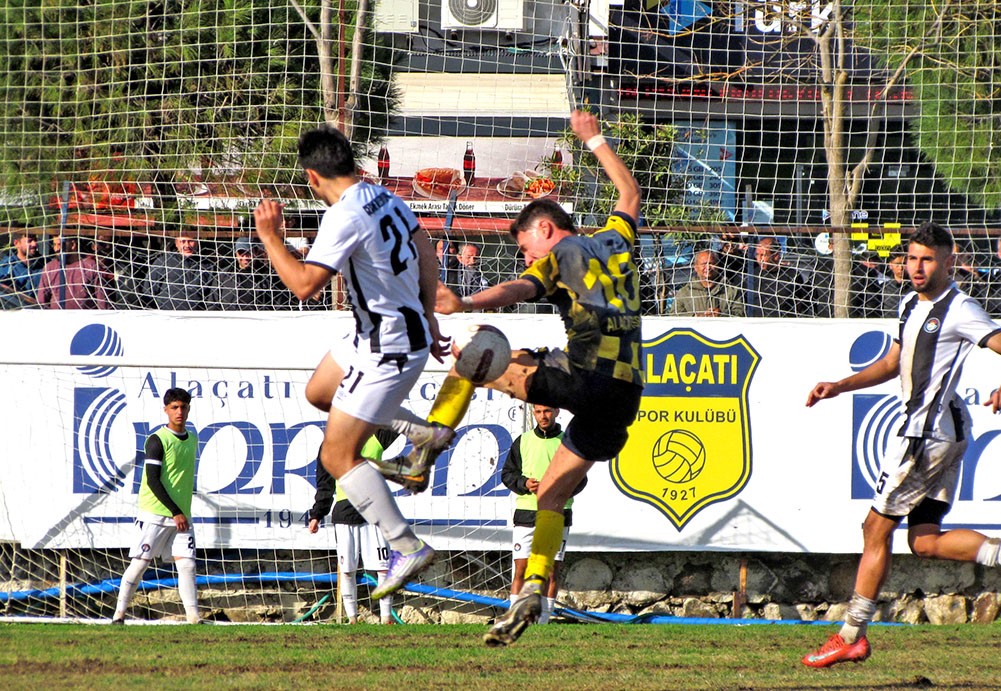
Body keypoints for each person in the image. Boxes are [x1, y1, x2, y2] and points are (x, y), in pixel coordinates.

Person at [392, 110, 641, 646]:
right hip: (624, 397)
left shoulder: (560, 254)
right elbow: (629, 191)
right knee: (550, 497)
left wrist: (465, 302)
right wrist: (593, 137)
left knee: (475, 350)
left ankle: (425, 448)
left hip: (585, 374)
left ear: (545, 228)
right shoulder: (615, 239)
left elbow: (517, 290)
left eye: (525, 246)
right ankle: (532, 588)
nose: (525, 256)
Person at [254, 125, 450, 602]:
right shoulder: (384, 197)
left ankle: (405, 545)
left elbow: (304, 285)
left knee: (336, 456)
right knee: (320, 392)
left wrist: (270, 237)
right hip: (380, 332)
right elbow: (425, 249)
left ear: (311, 176)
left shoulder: (343, 215)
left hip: (387, 346)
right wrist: (427, 311)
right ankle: (422, 434)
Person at [801, 222, 1001, 668]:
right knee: (924, 541)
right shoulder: (910, 303)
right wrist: (840, 385)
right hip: (945, 430)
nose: (916, 267)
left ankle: (851, 635)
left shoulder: (960, 307)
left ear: (949, 262)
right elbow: (893, 362)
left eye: (927, 259)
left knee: (875, 528)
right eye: (911, 258)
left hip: (927, 436)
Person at [112, 388, 200, 624]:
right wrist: (175, 511)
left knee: (187, 564)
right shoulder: (157, 440)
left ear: (189, 409)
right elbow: (152, 479)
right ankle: (119, 614)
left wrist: (181, 511)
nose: (179, 411)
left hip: (182, 515)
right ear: (166, 410)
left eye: (183, 407)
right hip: (155, 514)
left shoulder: (192, 439)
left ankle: (193, 617)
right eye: (174, 407)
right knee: (140, 564)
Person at [501, 404, 586, 625]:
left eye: (547, 411)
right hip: (526, 513)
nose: (543, 416)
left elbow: (581, 478)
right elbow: (507, 474)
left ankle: (543, 622)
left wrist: (559, 489)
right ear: (533, 413)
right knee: (521, 569)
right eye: (538, 412)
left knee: (551, 571)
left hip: (557, 513)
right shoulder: (523, 441)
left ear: (557, 411)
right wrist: (524, 483)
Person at [306, 431, 399, 625]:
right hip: (345, 514)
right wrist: (317, 514)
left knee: (383, 569)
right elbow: (325, 485)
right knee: (347, 570)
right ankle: (352, 620)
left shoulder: (376, 435)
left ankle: (386, 618)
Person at [35, 236, 110, 309]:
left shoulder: (90, 266)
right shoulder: (49, 268)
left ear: (73, 245)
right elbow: (42, 302)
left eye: (60, 244)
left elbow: (102, 301)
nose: (56, 249)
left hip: (85, 316)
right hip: (56, 316)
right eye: (54, 244)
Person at [145, 232, 216, 309]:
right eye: (183, 241)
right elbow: (148, 291)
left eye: (190, 241)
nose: (187, 245)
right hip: (167, 313)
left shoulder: (207, 266)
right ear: (176, 244)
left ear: (197, 243)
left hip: (197, 314)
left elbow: (212, 297)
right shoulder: (163, 262)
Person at [745, 236, 812, 317]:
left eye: (763, 255)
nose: (759, 259)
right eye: (757, 254)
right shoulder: (752, 275)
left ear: (776, 255)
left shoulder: (791, 275)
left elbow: (800, 303)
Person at [670, 248, 745, 317]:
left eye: (711, 263)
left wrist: (721, 315)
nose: (708, 267)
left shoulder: (732, 291)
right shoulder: (685, 293)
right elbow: (674, 315)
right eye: (704, 264)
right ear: (695, 267)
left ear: (718, 266)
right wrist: (694, 317)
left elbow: (740, 314)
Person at [216, 236, 274, 309]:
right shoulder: (224, 275)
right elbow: (212, 304)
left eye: (248, 252)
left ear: (255, 252)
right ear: (235, 254)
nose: (245, 257)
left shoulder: (267, 276)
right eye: (241, 253)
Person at [0, 231, 42, 296]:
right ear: (16, 243)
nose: (34, 244)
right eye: (29, 241)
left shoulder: (45, 264)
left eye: (35, 240)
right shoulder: (6, 268)